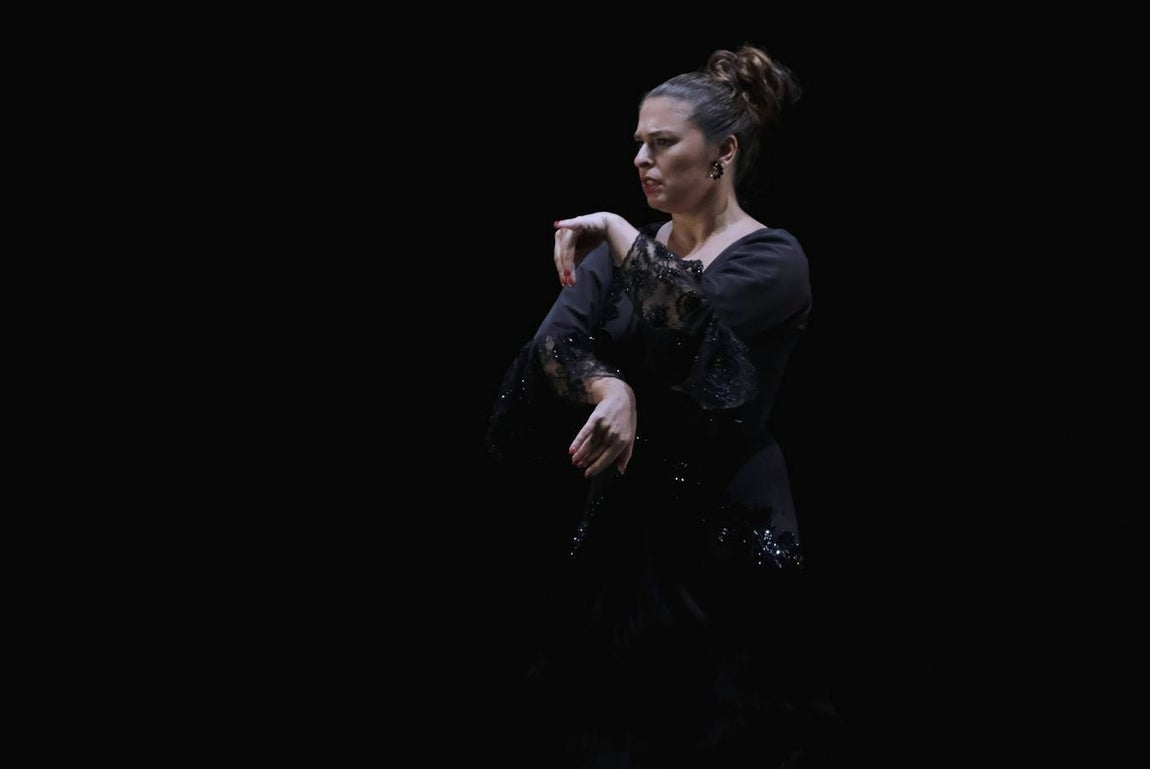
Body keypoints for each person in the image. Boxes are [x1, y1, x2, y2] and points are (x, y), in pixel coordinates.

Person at [487, 44, 836, 768]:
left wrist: (617, 232)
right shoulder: (616, 259)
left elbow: (688, 317)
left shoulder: (774, 260)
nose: (642, 158)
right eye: (637, 144)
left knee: (725, 735)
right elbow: (552, 347)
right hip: (630, 532)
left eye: (662, 142)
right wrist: (609, 388)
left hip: (724, 533)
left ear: (723, 152)